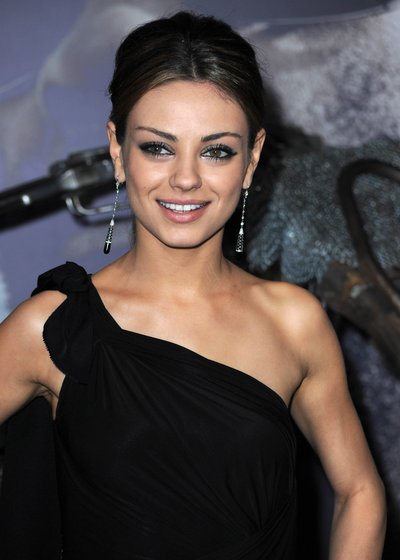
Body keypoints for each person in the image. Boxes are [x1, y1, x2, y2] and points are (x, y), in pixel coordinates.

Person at [0, 11, 386, 560]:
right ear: (117, 150)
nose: (185, 178)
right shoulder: (50, 327)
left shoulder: (293, 321)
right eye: (158, 147)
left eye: (216, 150)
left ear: (251, 159)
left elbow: (359, 491)